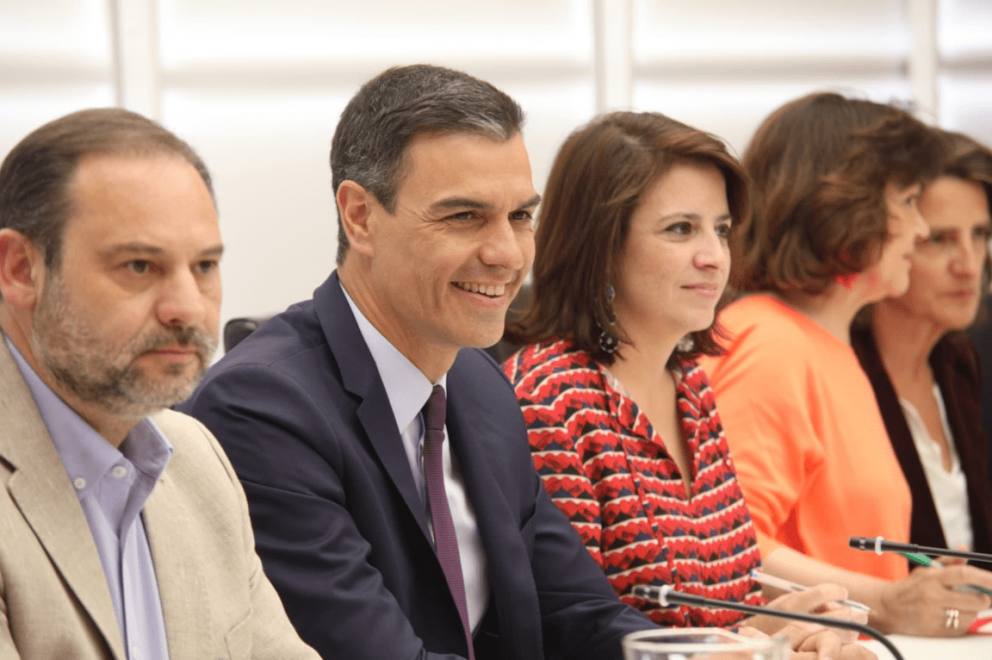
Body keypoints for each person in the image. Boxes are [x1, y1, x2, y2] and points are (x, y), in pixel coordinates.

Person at [179, 64, 658, 660]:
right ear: (360, 217)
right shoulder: (261, 408)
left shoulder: (479, 383)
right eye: (463, 217)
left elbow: (576, 610)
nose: (508, 255)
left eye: (520, 216)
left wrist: (707, 655)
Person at [503, 111, 871, 659]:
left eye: (720, 229)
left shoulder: (690, 385)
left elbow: (724, 598)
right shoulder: (550, 400)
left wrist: (795, 627)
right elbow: (571, 627)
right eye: (681, 229)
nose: (714, 255)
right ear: (601, 245)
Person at [0, 109, 318, 659]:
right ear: (21, 269)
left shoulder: (197, 458)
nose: (188, 309)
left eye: (204, 266)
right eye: (140, 266)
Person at [700, 92, 992, 637]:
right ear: (845, 210)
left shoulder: (830, 347)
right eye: (907, 203)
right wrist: (885, 601)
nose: (920, 229)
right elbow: (727, 547)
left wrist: (924, 596)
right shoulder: (771, 342)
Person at [852, 131, 992, 562]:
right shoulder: (844, 367)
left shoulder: (958, 361)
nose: (969, 265)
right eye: (939, 239)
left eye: (981, 235)